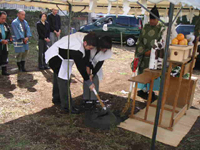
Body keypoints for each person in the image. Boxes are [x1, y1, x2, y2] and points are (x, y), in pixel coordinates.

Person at [45, 32, 97, 114]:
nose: (90, 50)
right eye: (90, 48)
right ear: (85, 43)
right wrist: (88, 82)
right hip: (55, 56)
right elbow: (80, 67)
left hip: (62, 55)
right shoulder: (77, 49)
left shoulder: (85, 38)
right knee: (64, 81)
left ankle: (57, 98)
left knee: (58, 77)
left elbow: (86, 58)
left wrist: (89, 74)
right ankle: (67, 107)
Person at [135, 5, 164, 99]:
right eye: (151, 19)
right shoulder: (145, 27)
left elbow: (162, 43)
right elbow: (140, 41)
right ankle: (143, 91)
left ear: (158, 19)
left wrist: (152, 51)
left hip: (155, 57)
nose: (152, 21)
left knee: (153, 75)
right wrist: (143, 51)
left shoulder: (161, 29)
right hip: (144, 57)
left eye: (154, 19)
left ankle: (151, 92)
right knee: (143, 74)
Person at [82, 36, 112, 109]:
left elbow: (99, 64)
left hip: (95, 64)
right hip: (86, 62)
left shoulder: (106, 51)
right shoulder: (92, 46)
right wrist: (88, 73)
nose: (105, 50)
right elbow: (87, 59)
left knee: (95, 79)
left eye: (106, 49)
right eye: (104, 48)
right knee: (86, 79)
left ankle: (93, 99)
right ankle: (86, 98)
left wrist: (93, 74)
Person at [0, 11, 12, 76]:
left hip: (4, 44)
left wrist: (8, 39)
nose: (4, 20)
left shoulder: (5, 24)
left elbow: (9, 32)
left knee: (4, 56)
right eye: (2, 18)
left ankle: (4, 71)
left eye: (5, 18)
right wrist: (0, 40)